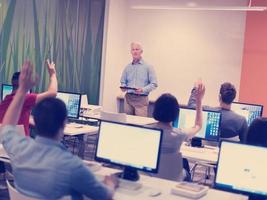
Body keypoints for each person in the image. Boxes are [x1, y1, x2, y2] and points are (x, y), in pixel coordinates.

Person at [0, 61, 118, 199]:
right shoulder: (73, 166)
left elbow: (6, 127)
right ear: (64, 123)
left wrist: (21, 91)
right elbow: (105, 196)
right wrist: (110, 184)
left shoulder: (18, 150)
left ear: (35, 122)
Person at [149, 80, 205, 181]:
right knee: (186, 171)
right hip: (173, 179)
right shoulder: (179, 135)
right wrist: (199, 100)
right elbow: (198, 125)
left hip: (151, 177)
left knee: (184, 162)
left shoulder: (146, 131)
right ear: (176, 113)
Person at [0, 59, 58, 137]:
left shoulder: (6, 99)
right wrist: (52, 74)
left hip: (6, 142)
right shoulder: (25, 98)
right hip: (21, 144)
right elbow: (53, 93)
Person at [120, 42, 158, 117]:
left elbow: (154, 84)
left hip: (141, 99)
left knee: (140, 124)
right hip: (128, 98)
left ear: (141, 51)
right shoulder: (127, 67)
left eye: (137, 49)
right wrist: (123, 87)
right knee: (127, 122)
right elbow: (123, 81)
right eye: (133, 49)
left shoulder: (148, 67)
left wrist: (143, 89)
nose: (135, 51)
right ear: (131, 52)